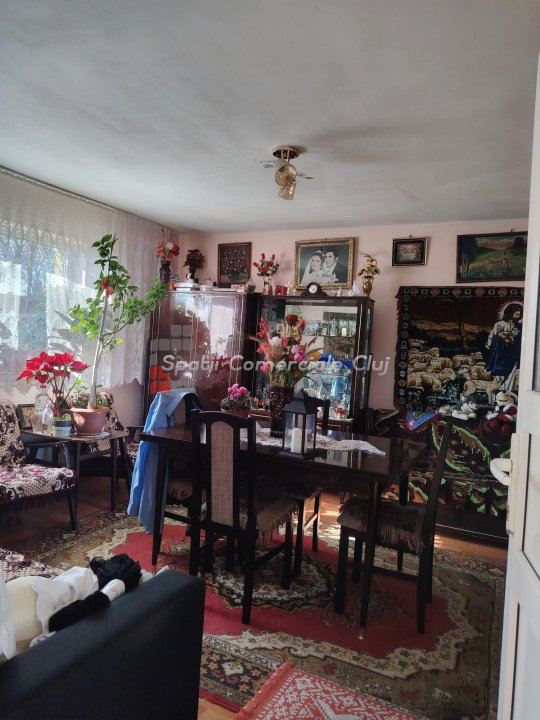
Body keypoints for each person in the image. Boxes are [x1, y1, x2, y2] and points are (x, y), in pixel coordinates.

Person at [485, 303, 523, 390]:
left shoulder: (518, 326)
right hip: (500, 353)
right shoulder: (500, 324)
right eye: (516, 314)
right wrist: (499, 338)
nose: (518, 316)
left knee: (509, 372)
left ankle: (505, 390)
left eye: (519, 314)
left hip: (512, 354)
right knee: (499, 372)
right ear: (510, 313)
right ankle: (496, 390)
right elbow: (492, 336)